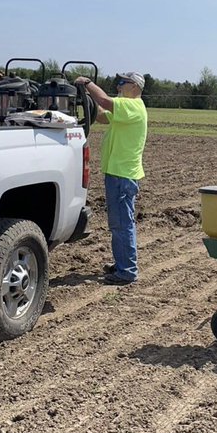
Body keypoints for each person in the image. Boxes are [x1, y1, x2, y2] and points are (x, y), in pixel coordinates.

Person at [74, 71, 148, 285]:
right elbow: (100, 115)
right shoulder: (127, 109)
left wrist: (87, 83)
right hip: (119, 174)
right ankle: (123, 263)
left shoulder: (133, 106)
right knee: (121, 223)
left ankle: (127, 271)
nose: (118, 86)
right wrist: (85, 99)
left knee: (122, 224)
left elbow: (105, 101)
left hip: (122, 175)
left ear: (134, 86)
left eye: (122, 83)